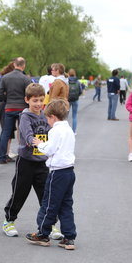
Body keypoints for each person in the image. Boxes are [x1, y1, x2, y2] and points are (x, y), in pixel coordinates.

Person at [2, 84, 62, 239]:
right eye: (35, 100)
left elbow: (52, 132)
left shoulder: (45, 116)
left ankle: (50, 224)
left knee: (45, 196)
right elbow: (27, 133)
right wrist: (31, 141)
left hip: (42, 162)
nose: (38, 104)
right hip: (26, 161)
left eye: (41, 100)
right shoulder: (24, 117)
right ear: (27, 100)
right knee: (19, 193)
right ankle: (9, 221)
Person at [26, 99, 77, 250]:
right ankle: (69, 237)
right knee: (66, 205)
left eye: (48, 118)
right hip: (69, 171)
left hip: (57, 172)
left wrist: (39, 144)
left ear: (53, 117)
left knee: (49, 204)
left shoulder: (55, 130)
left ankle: (42, 233)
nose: (47, 121)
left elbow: (50, 150)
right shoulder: (69, 130)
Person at [0, 57, 31, 164]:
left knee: (5, 132)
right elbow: (29, 94)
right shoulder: (26, 79)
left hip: (9, 108)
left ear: (14, 64)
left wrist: (7, 100)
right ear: (23, 65)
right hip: (22, 108)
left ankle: (2, 156)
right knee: (22, 131)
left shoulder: (5, 78)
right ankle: (24, 155)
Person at [67, 69, 82, 133]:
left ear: (68, 74)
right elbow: (80, 91)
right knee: (74, 116)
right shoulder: (78, 81)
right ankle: (74, 131)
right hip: (75, 100)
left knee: (65, 116)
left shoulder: (67, 81)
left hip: (67, 100)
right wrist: (77, 96)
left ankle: (66, 131)